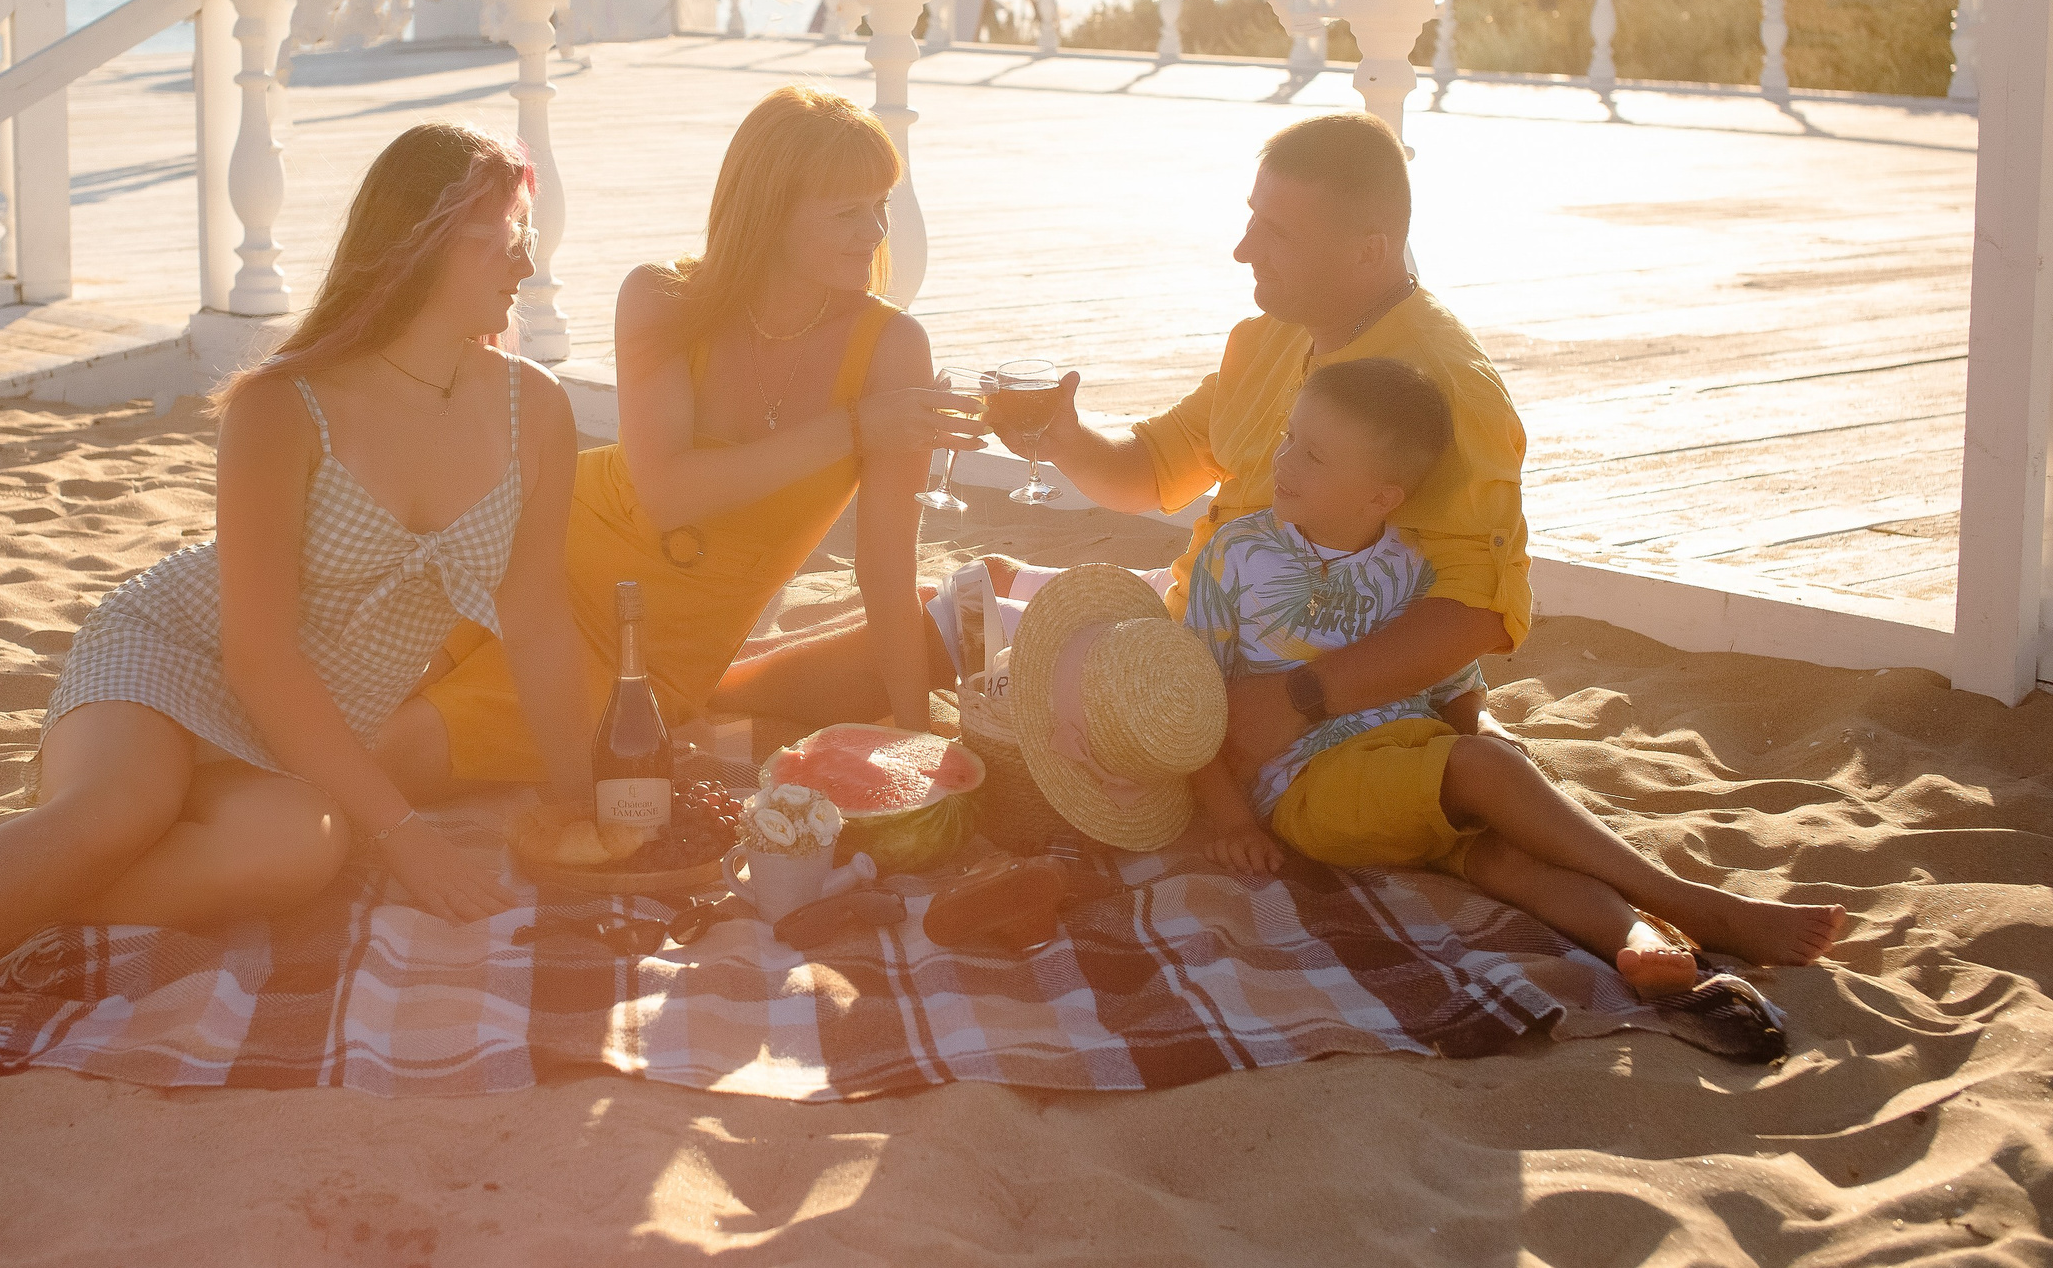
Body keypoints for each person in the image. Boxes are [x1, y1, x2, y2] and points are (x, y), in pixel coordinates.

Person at [0, 123, 589, 1150]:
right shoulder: (285, 405)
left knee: (300, 848)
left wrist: (585, 796)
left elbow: (538, 620)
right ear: (422, 241)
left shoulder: (536, 411)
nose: (527, 260)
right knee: (123, 807)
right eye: (503, 235)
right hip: (174, 653)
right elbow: (258, 654)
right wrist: (405, 829)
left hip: (300, 726)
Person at [1185, 357, 1847, 997]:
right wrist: (1229, 820)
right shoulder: (1235, 553)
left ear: (1382, 495)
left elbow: (1452, 687)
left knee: (1508, 857)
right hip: (1310, 785)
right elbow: (1193, 698)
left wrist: (1496, 765)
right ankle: (1694, 904)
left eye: (1314, 455)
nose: (1284, 459)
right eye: (1290, 436)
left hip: (1416, 767)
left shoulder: (1412, 569)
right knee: (1485, 770)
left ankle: (1638, 938)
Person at [406, 85, 984, 789]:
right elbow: (666, 493)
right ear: (770, 214)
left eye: (881, 207)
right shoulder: (662, 296)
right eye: (846, 213)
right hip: (533, 545)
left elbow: (887, 572)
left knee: (390, 754)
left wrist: (916, 754)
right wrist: (854, 429)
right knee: (341, 701)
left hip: (649, 654)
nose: (875, 234)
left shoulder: (891, 349)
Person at [1013, 111, 1527, 763]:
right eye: (1253, 217)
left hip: (1282, 690)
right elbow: (1149, 469)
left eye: (1276, 232)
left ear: (1369, 249)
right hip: (1193, 633)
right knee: (964, 602)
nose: (1243, 249)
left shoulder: (1447, 382)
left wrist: (1296, 698)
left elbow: (1474, 609)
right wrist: (1063, 439)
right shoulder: (1272, 335)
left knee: (973, 644)